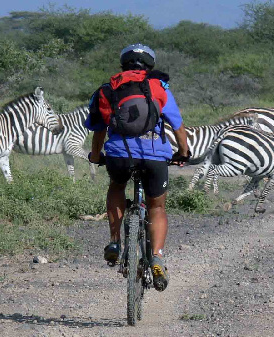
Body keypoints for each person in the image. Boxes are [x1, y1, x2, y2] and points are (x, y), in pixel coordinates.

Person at [85, 43, 190, 292]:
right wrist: (183, 153)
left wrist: (96, 155)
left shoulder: (108, 88)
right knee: (157, 206)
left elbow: (99, 130)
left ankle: (114, 242)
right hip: (155, 156)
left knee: (117, 186)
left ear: (123, 64)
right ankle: (156, 257)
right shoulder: (159, 87)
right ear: (150, 65)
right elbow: (177, 125)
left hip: (120, 155)